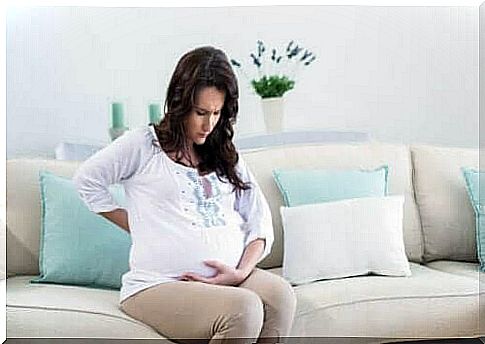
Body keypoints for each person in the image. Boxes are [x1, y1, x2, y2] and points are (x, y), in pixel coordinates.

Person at [72, 46, 297, 343]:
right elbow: (86, 181)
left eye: (217, 113)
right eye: (201, 112)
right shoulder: (144, 145)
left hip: (230, 278)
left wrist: (241, 272)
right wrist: (138, 225)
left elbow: (259, 220)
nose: (209, 124)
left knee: (281, 295)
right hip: (158, 284)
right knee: (244, 309)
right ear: (180, 103)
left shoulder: (224, 153)